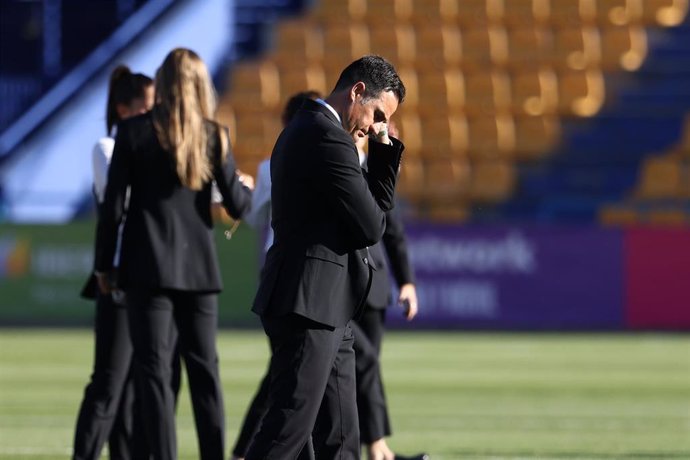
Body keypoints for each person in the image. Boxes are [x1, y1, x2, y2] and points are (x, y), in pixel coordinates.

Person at [231, 123, 427, 460]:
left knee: (330, 406)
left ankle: (377, 446)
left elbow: (390, 229)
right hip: (316, 290)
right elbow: (372, 224)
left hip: (355, 288)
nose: (374, 128)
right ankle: (378, 447)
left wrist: (405, 280)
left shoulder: (345, 159)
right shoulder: (333, 160)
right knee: (296, 406)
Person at [93, 48, 253, 460]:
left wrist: (104, 267)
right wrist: (243, 187)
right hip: (199, 272)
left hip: (145, 270)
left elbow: (112, 210)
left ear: (161, 84)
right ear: (202, 84)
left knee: (155, 376)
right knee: (205, 374)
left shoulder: (133, 132)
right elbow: (237, 205)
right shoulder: (214, 135)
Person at [73, 65, 155, 460]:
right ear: (124, 110)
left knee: (135, 386)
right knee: (109, 381)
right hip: (120, 274)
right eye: (147, 107)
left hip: (148, 275)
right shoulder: (106, 148)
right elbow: (119, 203)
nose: (155, 115)